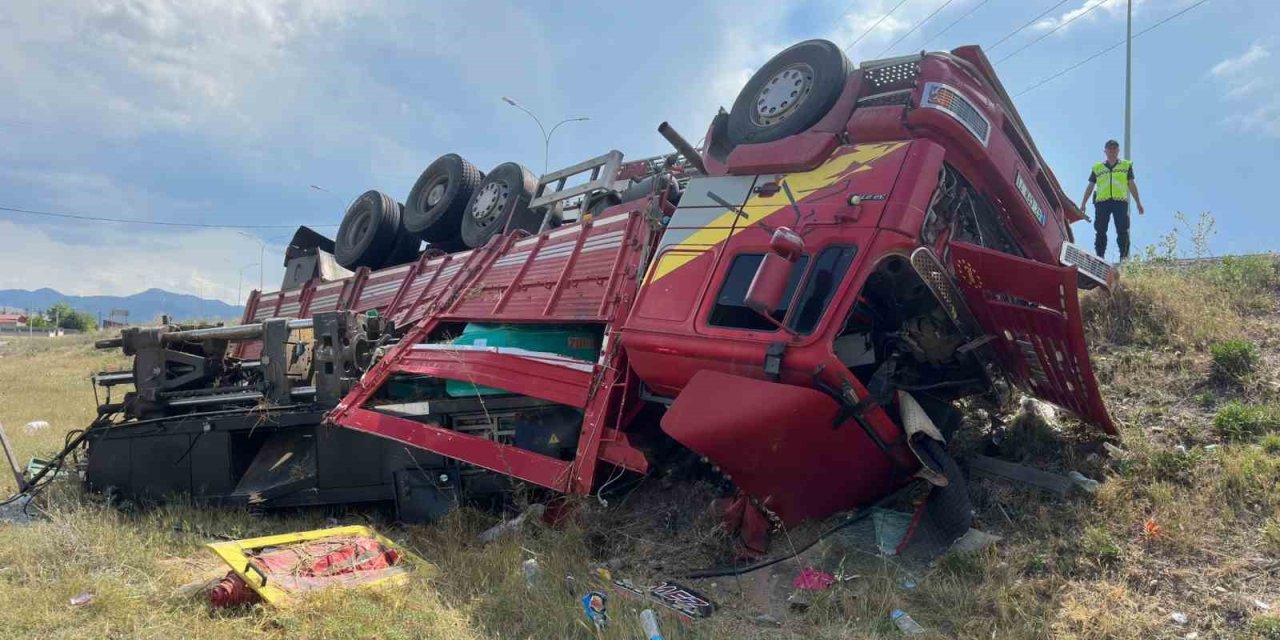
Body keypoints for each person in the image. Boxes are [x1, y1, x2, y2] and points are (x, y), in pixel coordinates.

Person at [1079, 139, 1145, 261]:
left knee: (1122, 230)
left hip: (1120, 202)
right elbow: (1090, 186)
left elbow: (1131, 184)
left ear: (1118, 151)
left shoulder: (1126, 166)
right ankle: (1100, 257)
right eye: (1110, 148)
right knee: (1100, 230)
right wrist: (1083, 203)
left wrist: (1138, 203)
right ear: (1105, 151)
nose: (1112, 151)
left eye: (1115, 148)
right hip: (1102, 202)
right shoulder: (1097, 168)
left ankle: (1124, 258)